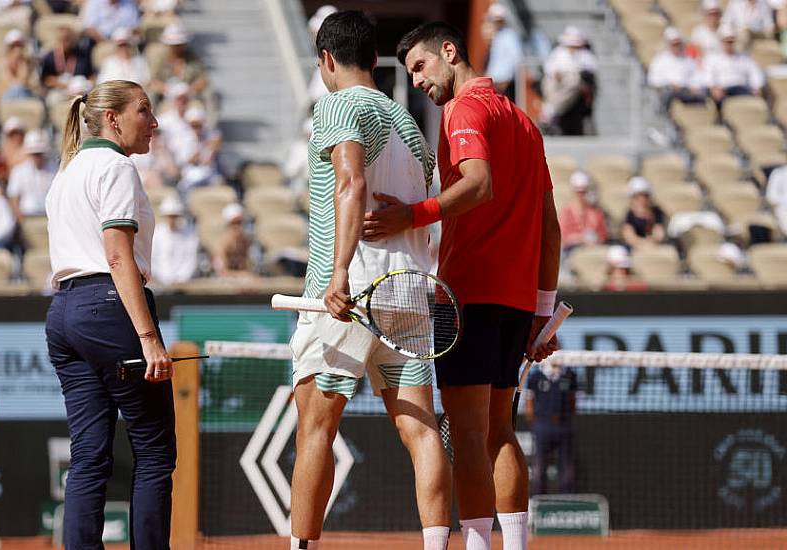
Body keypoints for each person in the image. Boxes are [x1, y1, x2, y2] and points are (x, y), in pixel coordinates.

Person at [368, 21, 562, 550]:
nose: (418, 82)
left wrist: (412, 215)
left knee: (471, 436)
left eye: (420, 67)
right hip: (517, 302)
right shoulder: (524, 122)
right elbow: (551, 226)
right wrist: (542, 311)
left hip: (468, 296)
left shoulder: (464, 110)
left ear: (449, 52)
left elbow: (479, 184)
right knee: (499, 433)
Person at [288, 12, 452, 550]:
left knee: (316, 428)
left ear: (327, 61)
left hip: (349, 294)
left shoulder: (338, 104)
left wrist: (337, 273)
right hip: (407, 293)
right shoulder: (409, 122)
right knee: (421, 430)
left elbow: (351, 182)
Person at [44, 79, 174, 550]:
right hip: (110, 308)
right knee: (155, 454)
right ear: (113, 119)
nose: (154, 122)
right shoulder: (116, 167)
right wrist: (148, 337)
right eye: (144, 110)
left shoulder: (65, 173)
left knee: (88, 456)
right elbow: (118, 256)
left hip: (63, 314)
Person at [524, 361, 577, 496]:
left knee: (567, 465)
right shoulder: (535, 376)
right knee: (539, 464)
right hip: (542, 425)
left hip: (564, 425)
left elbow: (572, 400)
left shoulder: (570, 375)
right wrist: (536, 424)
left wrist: (566, 418)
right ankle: (537, 497)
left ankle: (566, 498)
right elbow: (529, 402)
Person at [539, 26, 597, 135]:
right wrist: (556, 73)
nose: (572, 48)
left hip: (573, 83)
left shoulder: (585, 55)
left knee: (573, 80)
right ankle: (551, 109)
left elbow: (589, 69)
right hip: (557, 82)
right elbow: (549, 67)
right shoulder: (558, 52)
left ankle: (551, 110)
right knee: (548, 83)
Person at [702, 24, 765, 106]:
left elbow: (755, 72)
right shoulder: (712, 58)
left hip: (741, 88)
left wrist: (757, 87)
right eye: (726, 41)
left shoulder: (744, 57)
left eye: (731, 41)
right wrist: (714, 88)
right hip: (723, 89)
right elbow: (707, 75)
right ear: (721, 42)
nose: (729, 44)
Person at [647, 27, 706, 109]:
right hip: (669, 91)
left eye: (678, 44)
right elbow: (653, 80)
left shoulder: (688, 59)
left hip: (686, 91)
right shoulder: (659, 60)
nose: (676, 47)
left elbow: (696, 76)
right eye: (674, 44)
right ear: (668, 44)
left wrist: (693, 86)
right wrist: (671, 84)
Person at [7, 129, 56, 221]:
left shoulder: (54, 169)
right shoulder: (18, 171)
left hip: (49, 217)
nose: (37, 157)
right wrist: (21, 220)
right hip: (27, 216)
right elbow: (13, 198)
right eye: (34, 153)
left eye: (39, 153)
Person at [40, 25, 94, 106]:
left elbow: (91, 75)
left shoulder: (81, 55)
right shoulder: (50, 57)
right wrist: (65, 85)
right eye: (62, 39)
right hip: (59, 90)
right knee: (53, 99)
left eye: (67, 39)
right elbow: (45, 79)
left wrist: (86, 85)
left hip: (80, 90)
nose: (65, 43)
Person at [150, 196, 197, 286]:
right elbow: (153, 258)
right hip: (161, 281)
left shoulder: (189, 234)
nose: (171, 219)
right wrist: (163, 277)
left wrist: (182, 278)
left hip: (183, 282)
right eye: (169, 216)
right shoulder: (157, 233)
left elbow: (191, 258)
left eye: (174, 216)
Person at [558, 171, 607, 253]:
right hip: (573, 251)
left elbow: (603, 235)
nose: (581, 195)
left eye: (583, 192)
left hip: (593, 249)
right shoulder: (566, 212)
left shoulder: (596, 213)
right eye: (578, 192)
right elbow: (563, 236)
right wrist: (581, 238)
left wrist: (594, 240)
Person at [483, 3, 524, 100]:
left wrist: (506, 81)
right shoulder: (499, 36)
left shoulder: (509, 36)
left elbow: (516, 59)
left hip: (504, 83)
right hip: (496, 82)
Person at [211, 203, 254, 278]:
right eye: (234, 223)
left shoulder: (244, 242)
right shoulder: (221, 244)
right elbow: (221, 273)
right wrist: (241, 275)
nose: (238, 227)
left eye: (240, 222)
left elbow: (246, 267)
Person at [622, 177, 666, 248]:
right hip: (636, 248)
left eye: (645, 196)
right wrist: (642, 243)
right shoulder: (630, 215)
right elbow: (629, 236)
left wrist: (651, 241)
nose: (641, 200)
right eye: (637, 196)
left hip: (654, 247)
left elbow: (659, 234)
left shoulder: (657, 213)